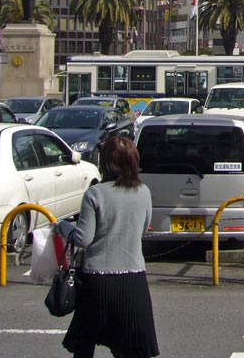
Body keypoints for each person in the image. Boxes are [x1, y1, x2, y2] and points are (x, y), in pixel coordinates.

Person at [62, 136, 159, 358]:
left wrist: (64, 228)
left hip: (98, 280)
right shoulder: (143, 192)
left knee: (84, 344)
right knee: (132, 347)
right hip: (133, 279)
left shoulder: (96, 193)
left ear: (106, 163)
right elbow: (143, 229)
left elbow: (83, 239)